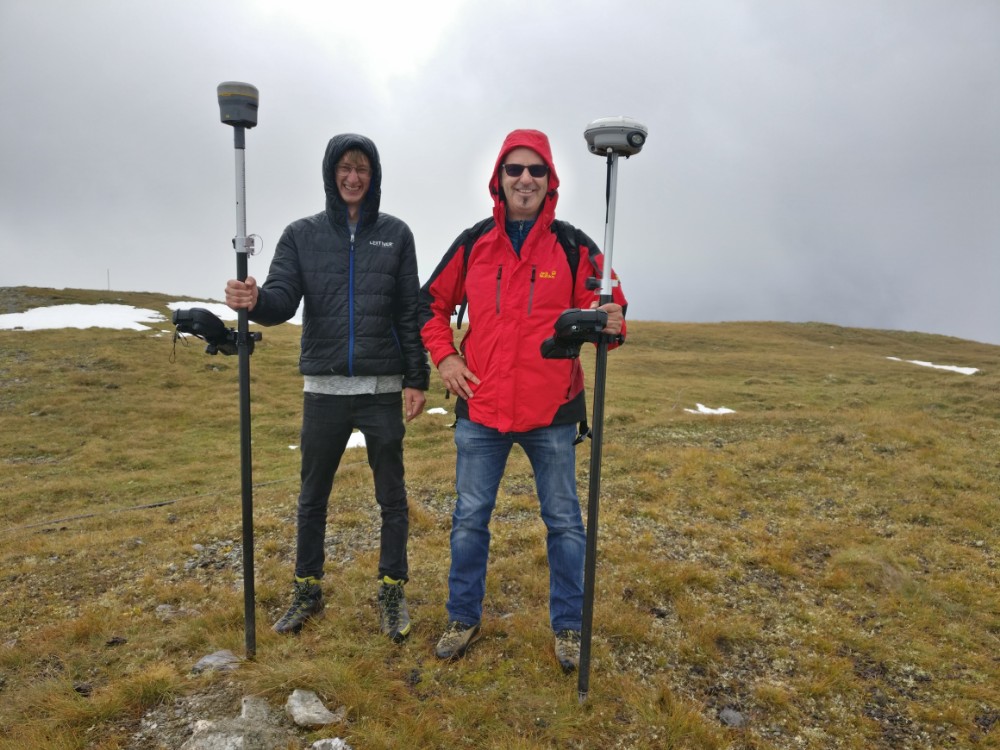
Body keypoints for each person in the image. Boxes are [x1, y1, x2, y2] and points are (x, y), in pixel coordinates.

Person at [418, 129, 627, 672]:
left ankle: (569, 629)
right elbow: (428, 307)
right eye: (515, 170)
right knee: (469, 520)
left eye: (536, 170)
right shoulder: (472, 245)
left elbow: (612, 308)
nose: (525, 179)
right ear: (499, 179)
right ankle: (462, 617)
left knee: (564, 522)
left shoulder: (575, 245)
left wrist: (609, 321)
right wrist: (446, 359)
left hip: (552, 412)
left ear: (550, 179)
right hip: (481, 410)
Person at [225, 133, 428, 642]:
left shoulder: (397, 235)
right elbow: (281, 301)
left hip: (381, 388)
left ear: (373, 175)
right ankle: (307, 589)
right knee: (312, 496)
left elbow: (409, 312)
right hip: (324, 391)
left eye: (362, 169)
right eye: (344, 168)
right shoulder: (302, 235)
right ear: (330, 174)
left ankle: (390, 590)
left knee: (392, 498)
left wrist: (416, 379)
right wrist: (252, 300)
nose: (353, 177)